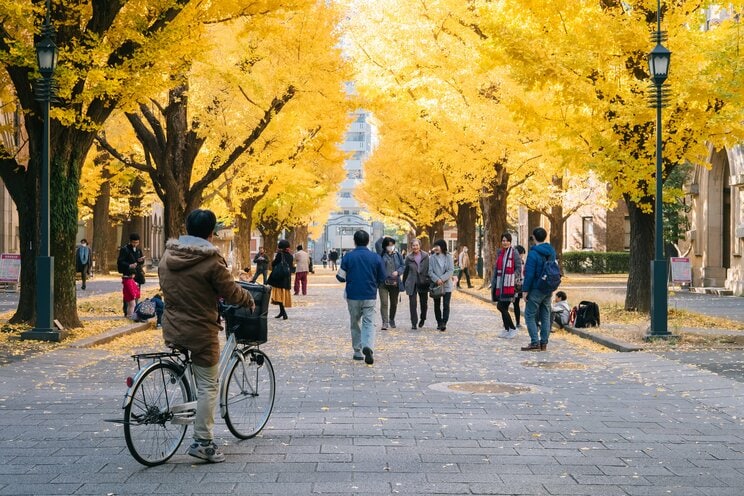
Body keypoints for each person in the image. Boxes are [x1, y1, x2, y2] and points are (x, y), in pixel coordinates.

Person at [158, 209, 255, 463]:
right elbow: (231, 291)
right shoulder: (212, 261)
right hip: (201, 330)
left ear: (187, 229)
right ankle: (203, 442)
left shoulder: (168, 255)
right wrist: (248, 300)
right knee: (209, 386)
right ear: (212, 233)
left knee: (198, 378)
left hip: (172, 325)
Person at [337, 230, 386, 364]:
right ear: (368, 241)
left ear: (354, 241)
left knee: (355, 322)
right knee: (369, 322)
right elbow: (382, 278)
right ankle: (368, 345)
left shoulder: (348, 256)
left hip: (353, 295)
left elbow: (340, 277)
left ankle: (357, 351)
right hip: (370, 294)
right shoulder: (376, 257)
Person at [521, 227, 558, 351]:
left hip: (536, 288)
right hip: (548, 287)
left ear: (534, 237)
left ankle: (534, 342)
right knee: (546, 315)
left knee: (529, 315)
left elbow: (529, 274)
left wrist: (525, 291)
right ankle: (544, 343)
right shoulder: (551, 251)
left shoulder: (533, 253)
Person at [491, 233, 523, 339]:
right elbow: (497, 268)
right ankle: (507, 329)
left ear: (510, 242)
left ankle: (512, 328)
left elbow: (519, 268)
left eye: (507, 241)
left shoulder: (514, 253)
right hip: (500, 284)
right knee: (502, 307)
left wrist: (512, 278)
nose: (505, 242)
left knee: (501, 306)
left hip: (509, 285)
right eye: (503, 240)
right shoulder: (500, 253)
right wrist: (494, 281)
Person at [402, 239, 430, 330]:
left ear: (420, 246)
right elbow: (406, 271)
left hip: (423, 282)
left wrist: (429, 279)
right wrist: (403, 283)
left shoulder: (426, 256)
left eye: (417, 245)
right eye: (413, 245)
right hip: (412, 282)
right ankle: (414, 323)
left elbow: (429, 269)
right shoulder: (408, 257)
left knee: (423, 303)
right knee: (413, 304)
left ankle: (423, 318)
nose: (415, 247)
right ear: (411, 246)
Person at [428, 239, 454, 332]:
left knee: (446, 304)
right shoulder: (432, 258)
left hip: (447, 284)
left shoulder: (449, 257)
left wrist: (442, 279)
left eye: (437, 246)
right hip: (436, 285)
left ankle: (444, 322)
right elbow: (430, 271)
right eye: (435, 246)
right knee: (437, 304)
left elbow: (451, 270)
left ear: (442, 247)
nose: (435, 248)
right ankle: (439, 322)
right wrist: (437, 279)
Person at [379, 237, 405, 330]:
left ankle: (391, 319)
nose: (391, 247)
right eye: (389, 245)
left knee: (394, 303)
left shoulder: (398, 255)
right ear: (385, 246)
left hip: (395, 283)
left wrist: (398, 272)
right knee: (384, 303)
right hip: (383, 283)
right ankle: (384, 322)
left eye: (392, 245)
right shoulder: (381, 255)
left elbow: (403, 266)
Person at [117, 233, 145, 319]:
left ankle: (134, 311)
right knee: (129, 294)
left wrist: (141, 260)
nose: (135, 244)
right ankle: (127, 311)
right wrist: (129, 265)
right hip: (128, 274)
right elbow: (120, 262)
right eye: (134, 242)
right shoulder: (125, 249)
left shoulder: (138, 250)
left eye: (137, 242)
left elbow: (139, 261)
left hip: (137, 274)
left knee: (136, 293)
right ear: (130, 241)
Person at [267, 240, 293, 319]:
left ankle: (283, 313)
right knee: (282, 295)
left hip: (278, 277)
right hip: (286, 277)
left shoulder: (279, 255)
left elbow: (273, 264)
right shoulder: (290, 256)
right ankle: (281, 312)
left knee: (278, 295)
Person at [513, 245, 526, 328]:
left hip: (522, 284)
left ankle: (519, 322)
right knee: (515, 303)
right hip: (515, 285)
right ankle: (516, 322)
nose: (522, 256)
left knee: (518, 303)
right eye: (521, 254)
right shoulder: (514, 262)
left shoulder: (522, 261)